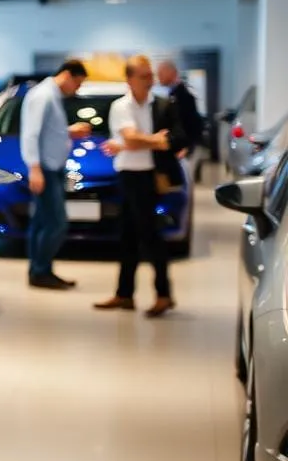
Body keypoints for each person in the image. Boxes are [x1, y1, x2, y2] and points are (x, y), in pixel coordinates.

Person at [95, 56, 178, 317]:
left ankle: (163, 294)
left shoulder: (161, 105)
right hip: (128, 175)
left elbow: (172, 140)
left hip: (150, 176)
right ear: (130, 79)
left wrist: (139, 142)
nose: (149, 81)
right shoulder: (121, 107)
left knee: (150, 235)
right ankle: (124, 294)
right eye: (143, 76)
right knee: (128, 236)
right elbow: (130, 139)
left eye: (150, 75)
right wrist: (152, 140)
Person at [21, 60, 93, 289]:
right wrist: (34, 168)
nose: (77, 89)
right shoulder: (43, 96)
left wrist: (68, 132)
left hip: (51, 167)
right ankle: (40, 270)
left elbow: (47, 131)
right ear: (67, 75)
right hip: (45, 168)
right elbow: (31, 134)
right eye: (78, 83)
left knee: (42, 223)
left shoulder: (51, 95)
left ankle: (40, 270)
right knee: (57, 224)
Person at [155, 59, 203, 180]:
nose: (158, 77)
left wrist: (187, 148)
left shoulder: (184, 96)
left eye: (161, 73)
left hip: (182, 152)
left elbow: (193, 124)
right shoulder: (171, 95)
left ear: (171, 73)